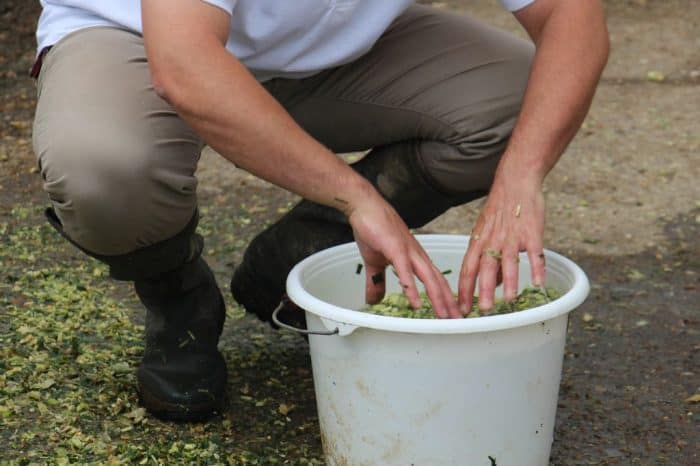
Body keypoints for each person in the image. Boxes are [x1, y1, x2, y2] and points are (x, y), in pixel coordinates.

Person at [31, 0, 609, 422]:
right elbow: (185, 66)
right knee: (100, 167)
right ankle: (176, 297)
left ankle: (302, 254)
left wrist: (519, 180)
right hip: (139, 39)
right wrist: (357, 197)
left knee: (522, 102)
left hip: (334, 54)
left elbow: (572, 17)